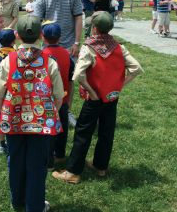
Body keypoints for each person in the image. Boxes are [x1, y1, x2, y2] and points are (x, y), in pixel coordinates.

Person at [0, 15, 64, 212]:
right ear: (41, 35)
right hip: (41, 123)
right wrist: (50, 113)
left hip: (13, 121)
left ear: (17, 36)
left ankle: (18, 200)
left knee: (16, 159)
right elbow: (58, 96)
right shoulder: (50, 62)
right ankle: (36, 207)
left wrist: (2, 112)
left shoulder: (8, 60)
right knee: (37, 163)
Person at [52, 11, 143, 184]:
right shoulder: (118, 46)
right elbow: (136, 68)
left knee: (83, 133)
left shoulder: (89, 47)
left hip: (94, 101)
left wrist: (92, 93)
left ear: (94, 28)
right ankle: (100, 166)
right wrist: (119, 86)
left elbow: (78, 75)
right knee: (106, 132)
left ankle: (72, 172)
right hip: (111, 98)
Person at [34, 0, 83, 127]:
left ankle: (66, 110)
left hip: (69, 45)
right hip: (47, 46)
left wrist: (76, 42)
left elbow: (78, 18)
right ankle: (48, 108)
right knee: (47, 79)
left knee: (69, 80)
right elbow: (36, 22)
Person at [42, 22, 75, 169]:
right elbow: (70, 80)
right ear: (60, 37)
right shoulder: (67, 55)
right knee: (62, 127)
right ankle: (60, 154)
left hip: (47, 100)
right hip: (64, 97)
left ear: (43, 37)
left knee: (49, 130)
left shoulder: (41, 56)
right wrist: (69, 101)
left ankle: (49, 162)